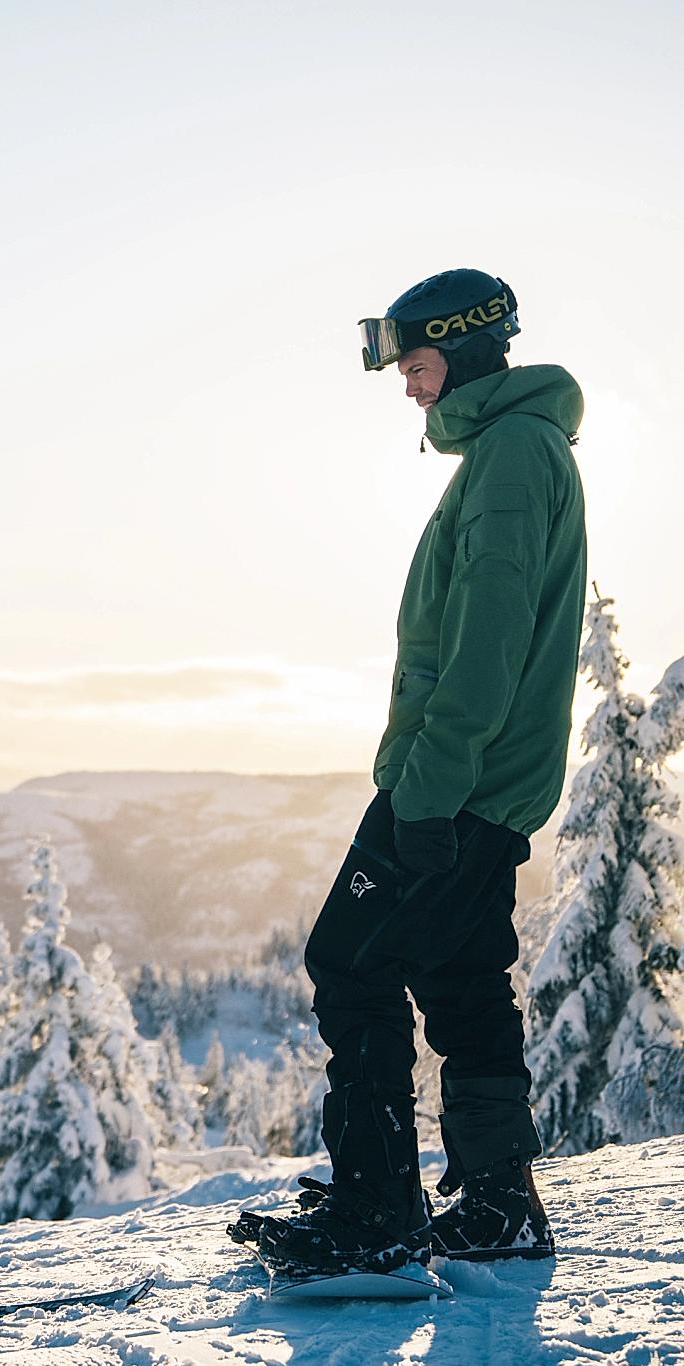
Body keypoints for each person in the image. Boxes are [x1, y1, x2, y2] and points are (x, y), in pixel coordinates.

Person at [238, 269, 587, 1275]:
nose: (406, 386)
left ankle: (373, 1210)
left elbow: (485, 645)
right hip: (481, 784)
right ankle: (495, 1199)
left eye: (416, 363)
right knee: (459, 973)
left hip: (452, 783)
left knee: (346, 963)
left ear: (466, 349)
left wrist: (423, 794)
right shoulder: (511, 451)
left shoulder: (510, 460)